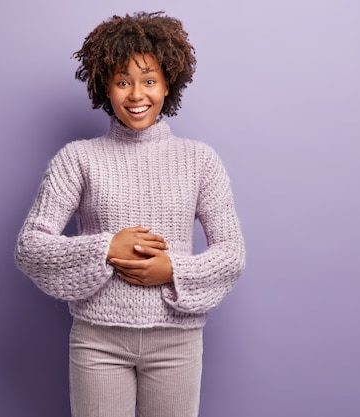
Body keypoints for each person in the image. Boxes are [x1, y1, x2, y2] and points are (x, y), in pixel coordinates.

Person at [15, 11, 246, 417]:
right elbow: (30, 247)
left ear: (168, 83)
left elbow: (232, 252)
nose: (136, 95)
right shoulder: (78, 159)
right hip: (97, 341)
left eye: (149, 81)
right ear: (105, 85)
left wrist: (173, 270)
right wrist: (107, 247)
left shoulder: (200, 161)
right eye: (123, 81)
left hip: (177, 342)